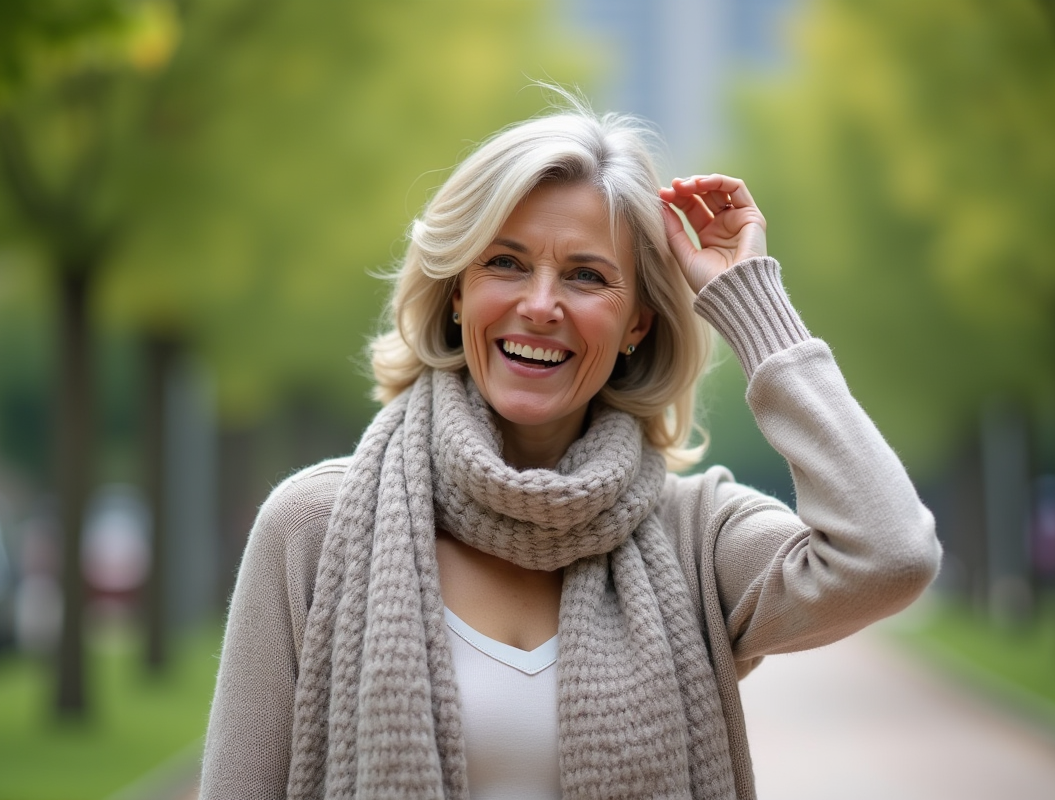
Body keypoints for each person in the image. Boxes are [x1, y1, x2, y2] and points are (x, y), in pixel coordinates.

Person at [198, 98, 941, 800]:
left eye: (586, 276)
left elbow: (889, 554)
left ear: (638, 326)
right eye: (506, 263)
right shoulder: (313, 529)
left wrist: (750, 300)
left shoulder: (696, 538)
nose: (541, 304)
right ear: (457, 292)